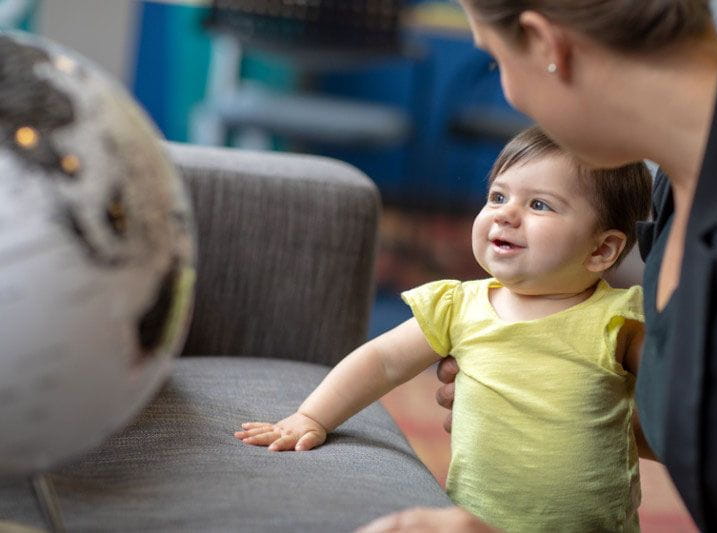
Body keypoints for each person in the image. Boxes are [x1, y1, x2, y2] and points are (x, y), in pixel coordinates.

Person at [358, 0, 717, 531]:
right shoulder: (686, 180)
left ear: (547, 45)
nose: (506, 91)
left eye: (495, 62)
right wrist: (565, 408)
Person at [235, 125, 652, 532]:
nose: (505, 213)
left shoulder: (618, 320)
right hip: (475, 520)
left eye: (539, 205)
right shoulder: (458, 306)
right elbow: (381, 361)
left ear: (602, 249)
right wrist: (312, 416)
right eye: (498, 196)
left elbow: (678, 406)